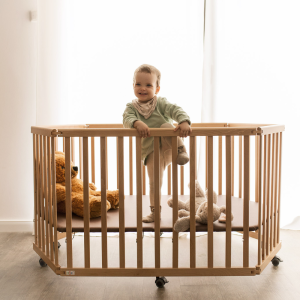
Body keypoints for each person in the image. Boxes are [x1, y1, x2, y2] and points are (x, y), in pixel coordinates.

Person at [122, 64, 192, 222]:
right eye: (138, 84)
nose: (143, 88)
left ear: (157, 89)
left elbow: (176, 110)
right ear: (133, 86)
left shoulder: (160, 103)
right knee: (154, 182)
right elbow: (126, 119)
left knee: (167, 126)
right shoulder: (131, 107)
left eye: (148, 85)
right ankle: (155, 212)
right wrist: (136, 123)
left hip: (169, 147)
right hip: (151, 151)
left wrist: (184, 121)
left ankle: (181, 149)